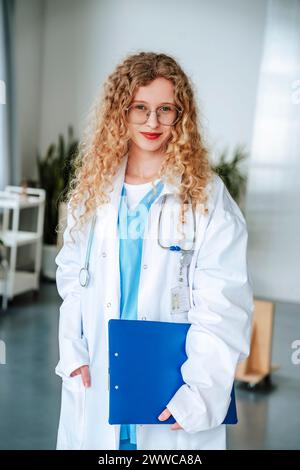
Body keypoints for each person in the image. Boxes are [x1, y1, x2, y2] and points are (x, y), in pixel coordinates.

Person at [54, 51, 254, 450]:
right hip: (97, 374)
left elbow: (224, 304)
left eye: (166, 109)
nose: (152, 122)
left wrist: (200, 394)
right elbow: (72, 274)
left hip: (173, 389)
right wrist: (72, 348)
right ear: (120, 112)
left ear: (182, 115)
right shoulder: (93, 189)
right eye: (140, 108)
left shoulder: (206, 197)